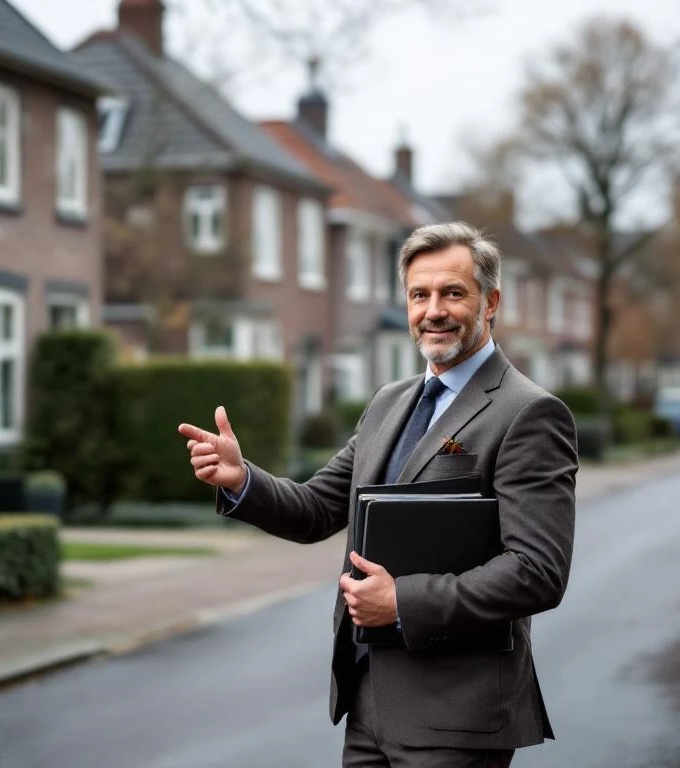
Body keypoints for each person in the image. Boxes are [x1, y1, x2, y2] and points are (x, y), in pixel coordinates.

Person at [178, 221, 578, 768]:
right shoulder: (390, 403)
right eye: (420, 294)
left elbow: (538, 571)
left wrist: (401, 603)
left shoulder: (529, 414)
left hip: (457, 717)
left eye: (452, 293)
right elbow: (318, 509)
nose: (432, 309)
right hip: (368, 704)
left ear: (491, 302)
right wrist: (242, 479)